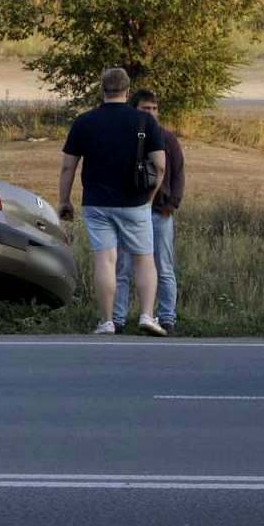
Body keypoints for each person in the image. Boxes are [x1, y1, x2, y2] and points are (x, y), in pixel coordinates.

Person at [58, 68, 167, 336]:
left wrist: (64, 201)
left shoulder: (84, 122)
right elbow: (160, 167)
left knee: (105, 260)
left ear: (101, 90)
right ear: (128, 92)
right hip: (135, 202)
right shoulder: (144, 121)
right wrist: (148, 198)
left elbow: (68, 168)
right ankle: (146, 315)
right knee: (144, 259)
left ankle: (107, 321)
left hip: (96, 203)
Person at [114, 89, 185, 334]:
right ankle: (117, 318)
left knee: (163, 266)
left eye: (154, 108)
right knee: (122, 267)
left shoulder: (168, 138)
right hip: (129, 211)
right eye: (146, 108)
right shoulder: (125, 137)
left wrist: (171, 205)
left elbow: (178, 174)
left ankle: (167, 318)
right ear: (134, 110)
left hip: (159, 213)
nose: (151, 113)